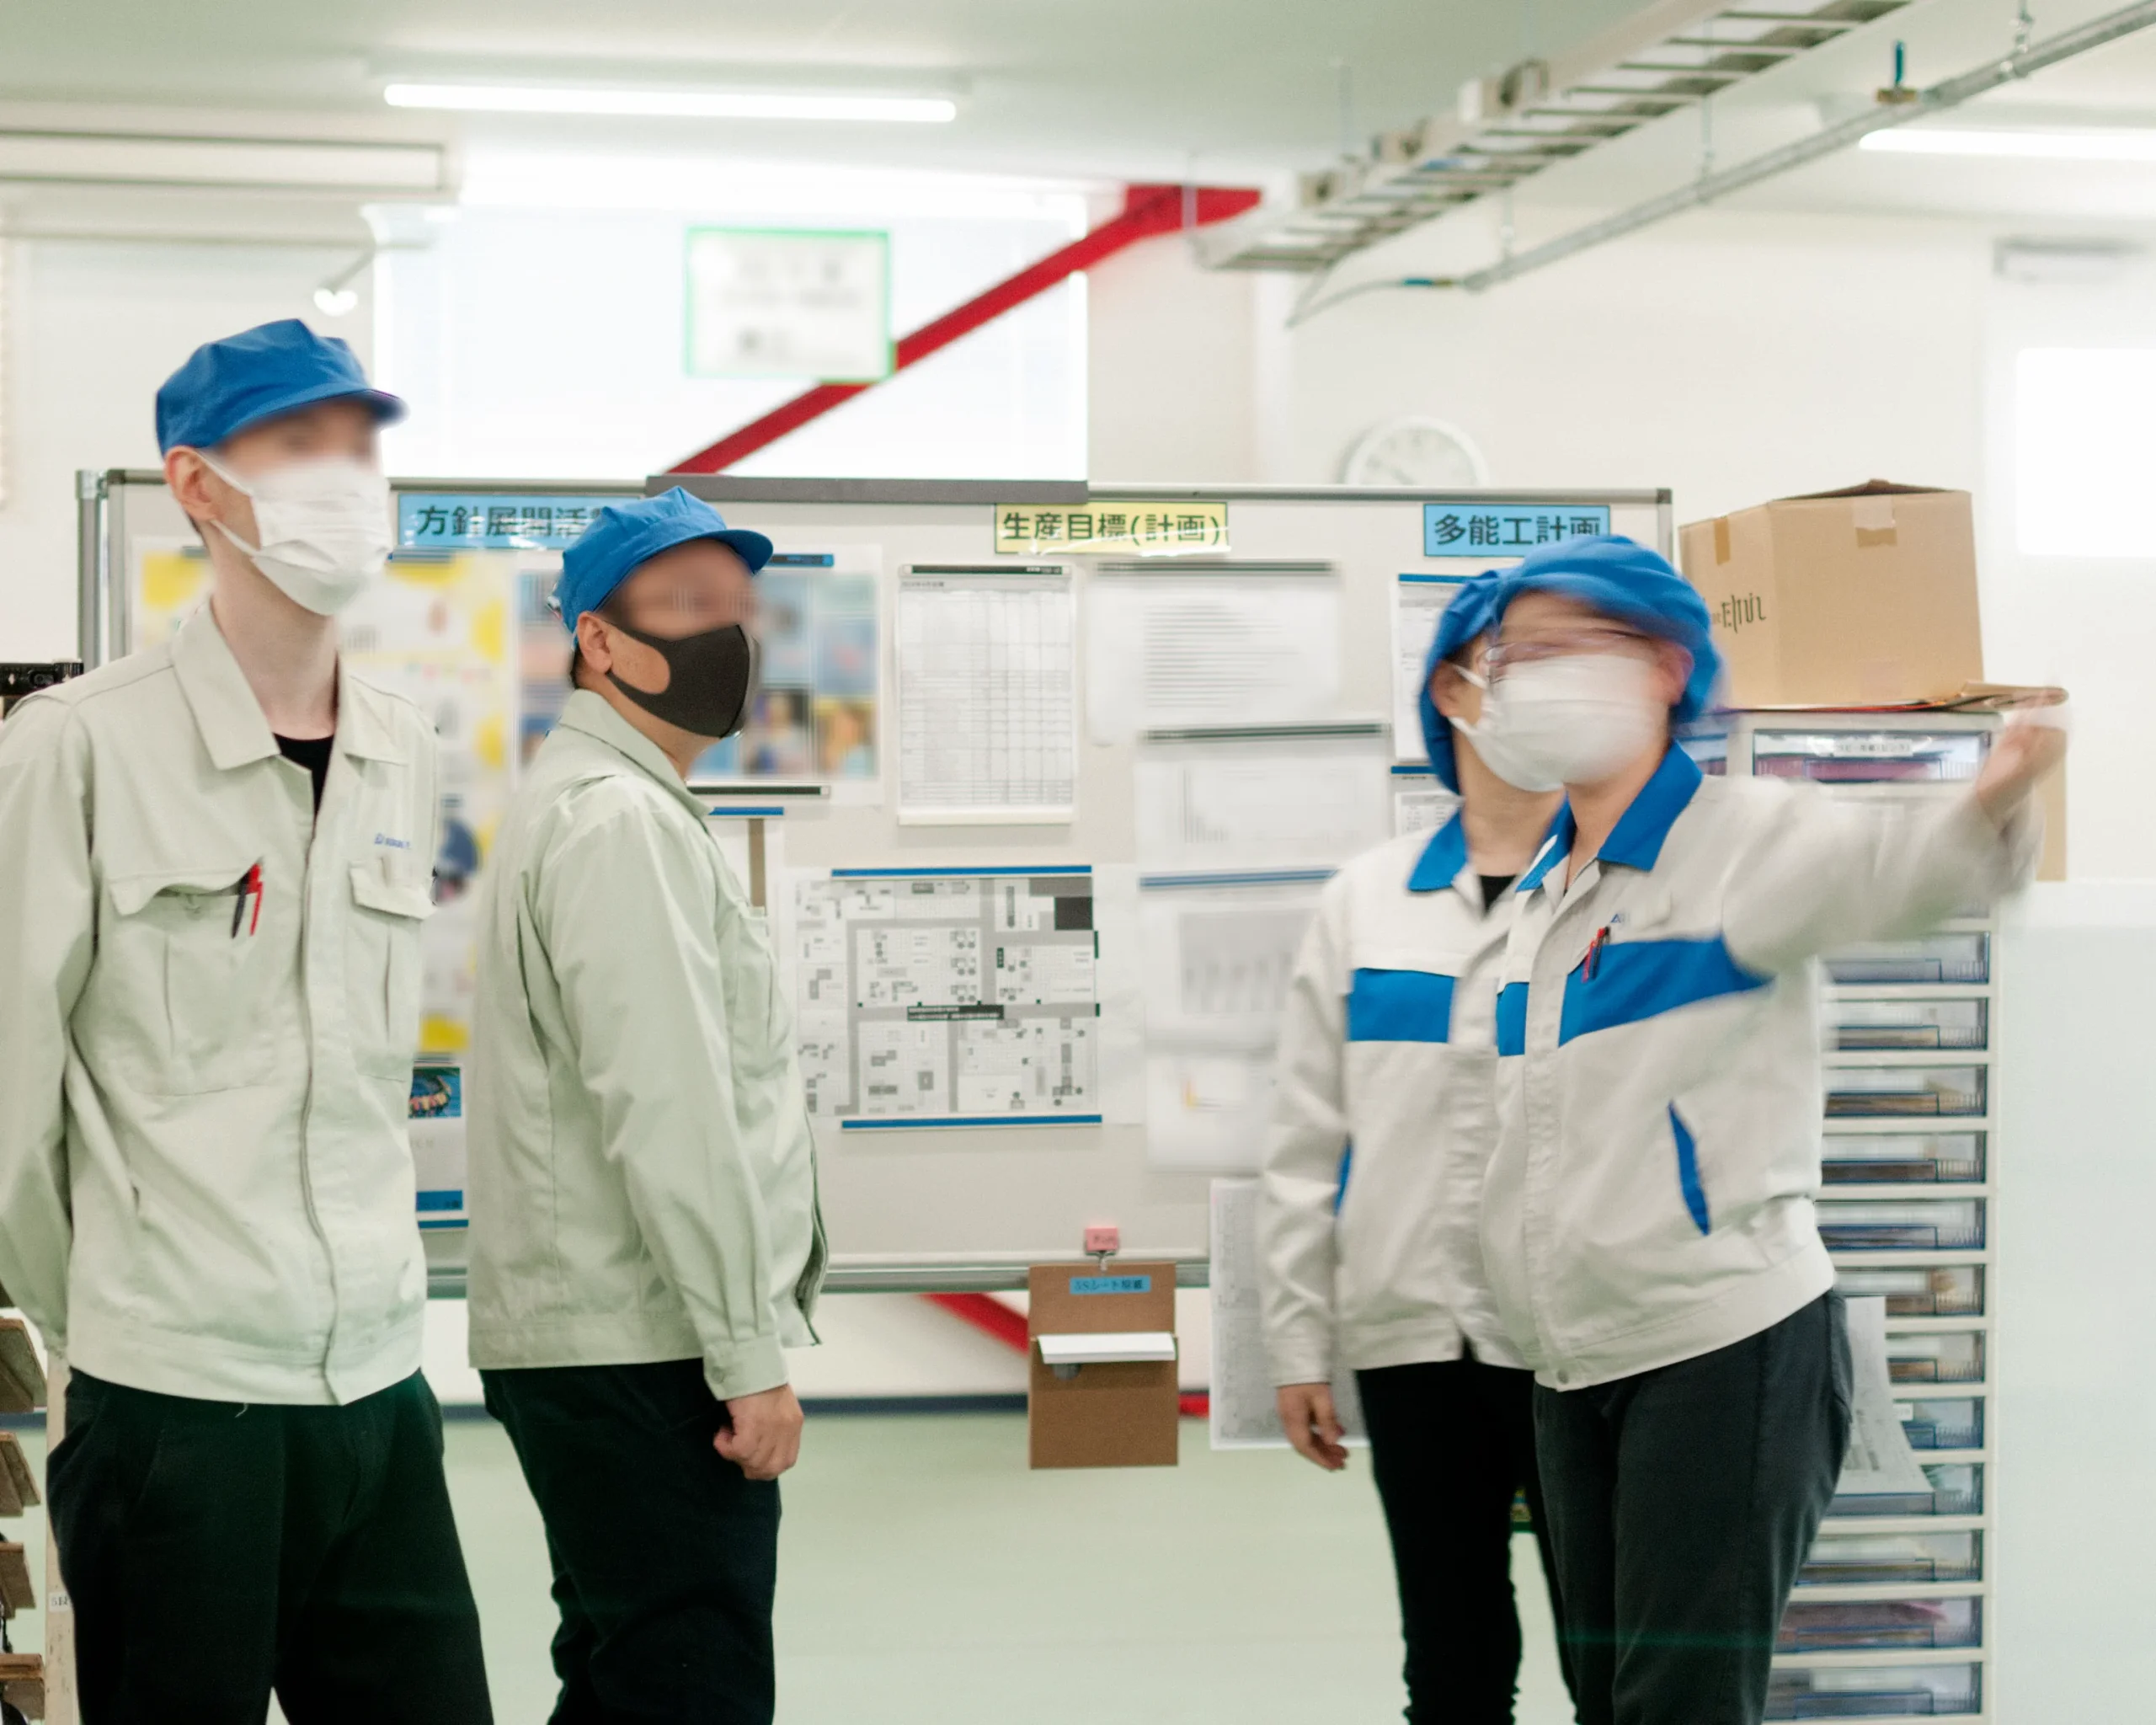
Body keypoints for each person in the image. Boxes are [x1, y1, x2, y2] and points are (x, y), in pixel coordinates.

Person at [1471, 536, 2063, 1725]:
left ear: (1663, 665)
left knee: (1680, 1705)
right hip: (1573, 1360)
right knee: (1608, 1698)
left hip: (1715, 1344)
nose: (1528, 676)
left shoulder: (1740, 838)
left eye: (1563, 645)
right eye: (1511, 655)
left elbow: (1886, 868)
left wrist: (1993, 795)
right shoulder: (1538, 897)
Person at [0, 320, 492, 1722]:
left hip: (382, 1385)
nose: (346, 474)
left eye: (361, 446)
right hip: (175, 1401)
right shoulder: (78, 747)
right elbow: (9, 1102)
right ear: (198, 485)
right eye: (299, 443)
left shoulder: (402, 745)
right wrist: (120, 1316)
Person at [467, 487, 828, 1725]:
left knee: (629, 1671)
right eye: (689, 606)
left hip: (613, 1340)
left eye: (740, 610)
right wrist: (746, 1355)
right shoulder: (617, 819)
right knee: (685, 1683)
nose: (730, 638)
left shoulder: (605, 801)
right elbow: (669, 1108)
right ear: (599, 641)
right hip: (644, 1347)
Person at [1258, 573, 1575, 1725]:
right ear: (1452, 690)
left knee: (1613, 1654)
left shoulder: (1633, 893)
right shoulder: (1368, 901)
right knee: (1450, 1657)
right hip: (1413, 1339)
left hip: (1581, 1336)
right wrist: (1297, 1347)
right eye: (1523, 663)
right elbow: (1305, 1143)